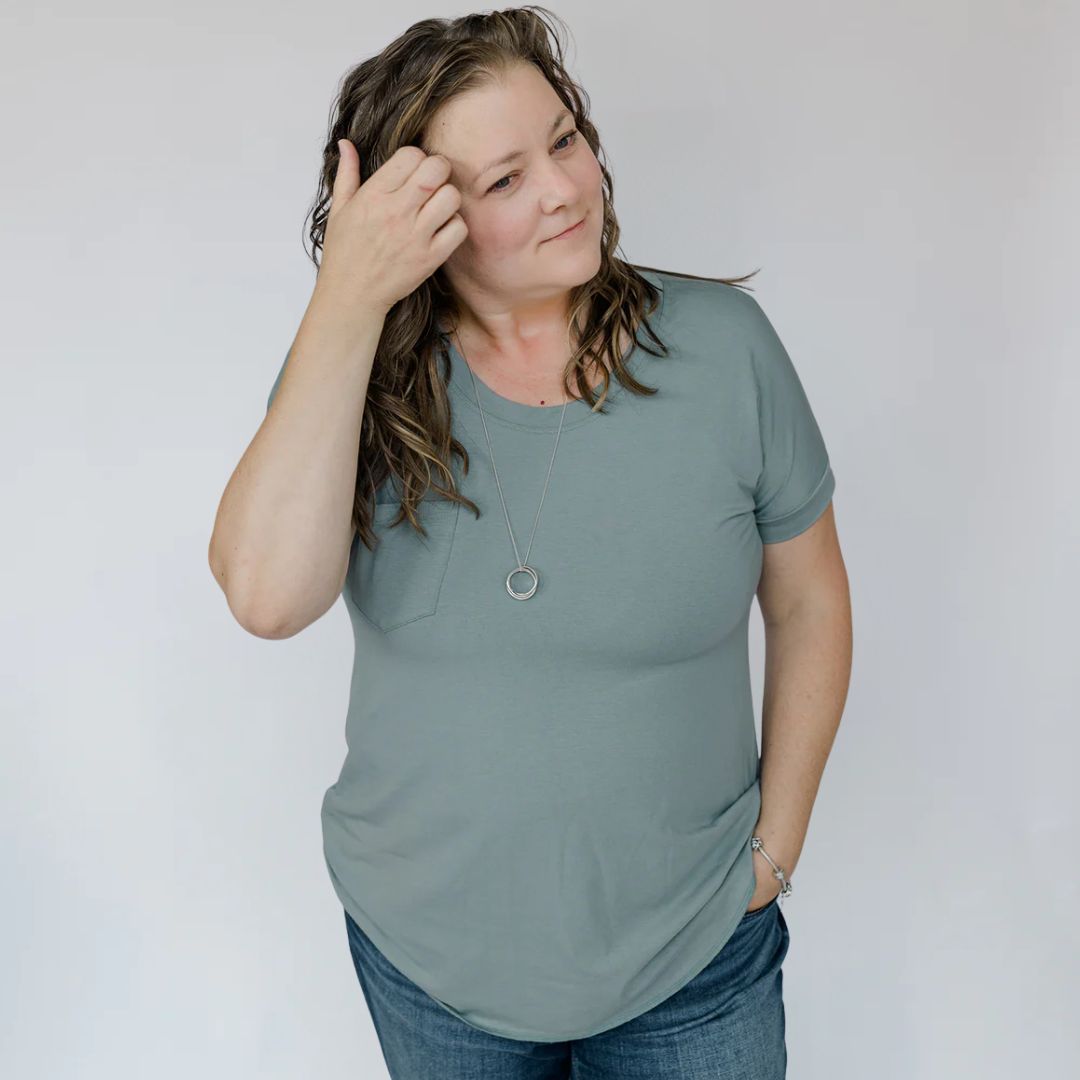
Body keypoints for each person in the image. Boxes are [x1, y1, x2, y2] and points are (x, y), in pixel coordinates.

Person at [209, 7, 852, 1078]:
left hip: (696, 953)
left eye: (564, 138)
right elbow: (267, 597)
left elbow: (809, 601)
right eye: (505, 179)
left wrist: (773, 853)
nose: (565, 186)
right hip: (432, 963)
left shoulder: (723, 350)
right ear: (420, 219)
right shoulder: (354, 374)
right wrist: (348, 295)